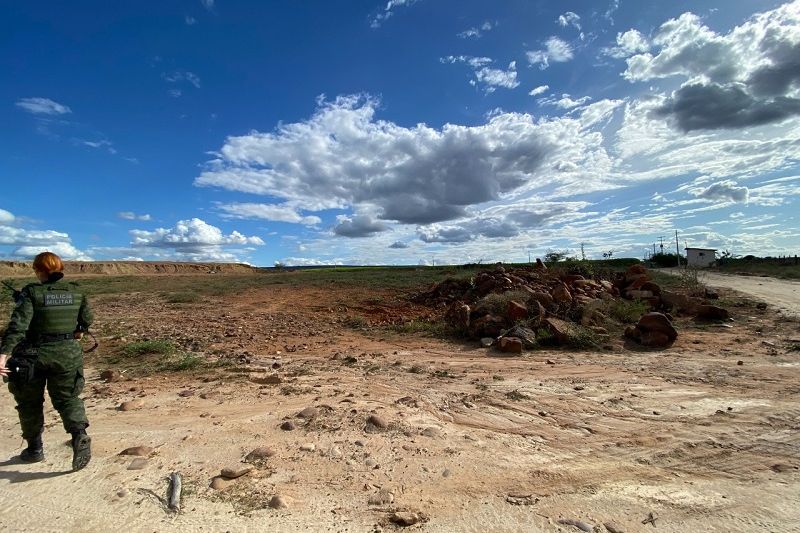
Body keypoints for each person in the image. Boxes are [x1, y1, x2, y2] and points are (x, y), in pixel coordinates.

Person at [0, 251, 93, 471]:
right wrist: (78, 331)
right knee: (68, 398)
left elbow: (19, 325)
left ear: (39, 270)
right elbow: (86, 319)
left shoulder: (32, 293)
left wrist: (3, 354)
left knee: (29, 403)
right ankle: (79, 435)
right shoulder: (76, 292)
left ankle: (34, 449)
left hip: (32, 356)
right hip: (67, 355)